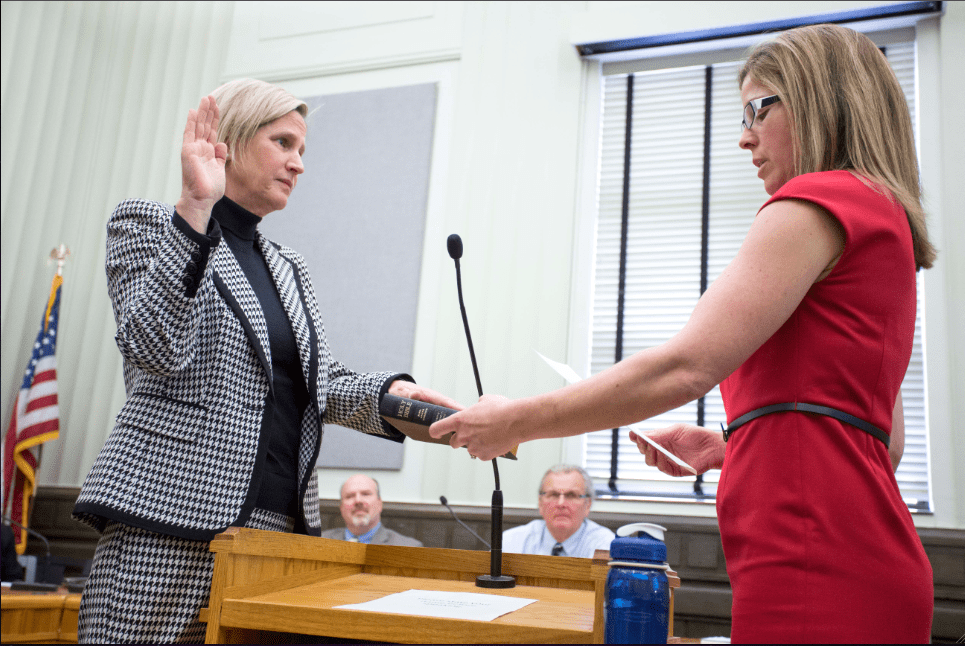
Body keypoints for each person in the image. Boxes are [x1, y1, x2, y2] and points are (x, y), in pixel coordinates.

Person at [431, 24, 934, 643]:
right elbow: (882, 446)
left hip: (813, 560)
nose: (745, 135)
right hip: (866, 557)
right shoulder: (883, 221)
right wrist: (735, 444)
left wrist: (515, 422)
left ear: (819, 99)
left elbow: (685, 367)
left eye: (758, 108)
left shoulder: (818, 201)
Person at [71, 78, 459, 644]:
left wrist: (397, 401)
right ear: (229, 140)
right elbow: (153, 348)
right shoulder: (149, 225)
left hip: (275, 530)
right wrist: (195, 210)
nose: (298, 164)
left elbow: (318, 383)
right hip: (169, 522)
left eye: (302, 150)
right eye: (282, 143)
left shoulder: (289, 267)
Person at [503, 465, 614, 558]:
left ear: (587, 505)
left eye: (571, 495)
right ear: (540, 503)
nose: (561, 504)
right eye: (554, 495)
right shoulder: (511, 541)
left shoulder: (605, 545)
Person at [321, 474, 422, 546]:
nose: (358, 500)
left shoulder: (408, 548)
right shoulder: (319, 543)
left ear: (379, 504)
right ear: (341, 508)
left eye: (365, 494)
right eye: (349, 496)